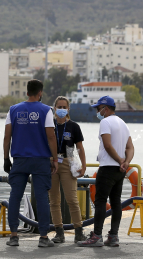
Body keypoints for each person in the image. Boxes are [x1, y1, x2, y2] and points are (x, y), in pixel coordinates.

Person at [3, 79, 61, 248]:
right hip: (40, 160)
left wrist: (6, 158)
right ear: (40, 93)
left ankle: (14, 235)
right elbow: (51, 137)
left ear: (27, 92)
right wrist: (55, 159)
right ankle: (43, 237)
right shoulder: (46, 111)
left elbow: (7, 137)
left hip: (19, 159)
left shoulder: (13, 110)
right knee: (43, 197)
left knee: (15, 196)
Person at [79, 95, 134, 247]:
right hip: (120, 171)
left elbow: (107, 145)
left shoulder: (105, 122)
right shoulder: (123, 124)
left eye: (99, 109)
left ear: (106, 108)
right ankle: (114, 236)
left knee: (100, 201)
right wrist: (126, 162)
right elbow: (130, 147)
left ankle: (97, 236)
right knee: (116, 202)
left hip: (108, 167)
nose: (98, 112)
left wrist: (119, 160)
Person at [49, 96, 88, 243]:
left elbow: (80, 148)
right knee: (54, 200)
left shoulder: (73, 126)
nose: (61, 110)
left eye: (64, 107)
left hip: (68, 161)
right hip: (51, 162)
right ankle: (59, 232)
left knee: (72, 199)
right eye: (59, 107)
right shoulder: (49, 125)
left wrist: (83, 166)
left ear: (68, 109)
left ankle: (79, 231)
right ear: (54, 108)